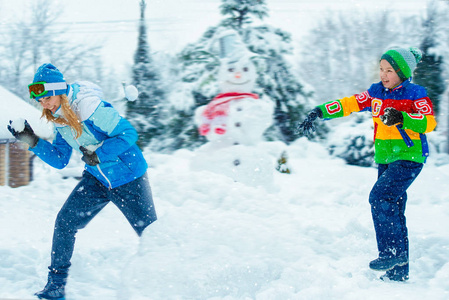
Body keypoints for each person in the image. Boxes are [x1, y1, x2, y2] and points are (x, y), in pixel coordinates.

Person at [7, 63, 157, 299]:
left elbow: (128, 133)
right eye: (39, 98)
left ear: (58, 90)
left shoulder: (88, 107)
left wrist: (99, 154)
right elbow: (60, 159)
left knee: (151, 234)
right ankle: (55, 287)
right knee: (65, 223)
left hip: (129, 178)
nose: (43, 103)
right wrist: (32, 140)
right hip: (96, 179)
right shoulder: (58, 117)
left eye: (46, 96)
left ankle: (170, 282)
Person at [297, 47, 437, 281]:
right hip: (385, 159)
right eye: (381, 69)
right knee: (393, 209)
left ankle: (390, 253)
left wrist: (403, 117)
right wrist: (319, 112)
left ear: (402, 72)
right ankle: (398, 271)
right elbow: (349, 103)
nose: (383, 74)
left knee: (380, 198)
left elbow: (429, 123)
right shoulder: (376, 93)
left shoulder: (415, 94)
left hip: (409, 157)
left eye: (389, 70)